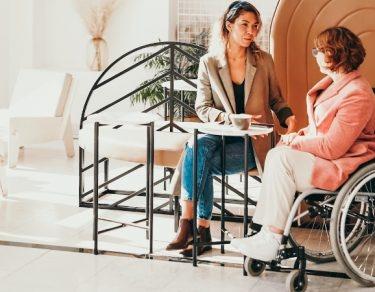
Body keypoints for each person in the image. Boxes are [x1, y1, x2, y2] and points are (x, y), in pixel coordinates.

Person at [231, 26, 375, 262]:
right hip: (327, 157)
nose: (315, 54)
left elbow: (333, 147)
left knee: (281, 158)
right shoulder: (334, 85)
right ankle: (267, 233)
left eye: (318, 50)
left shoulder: (357, 93)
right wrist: (297, 135)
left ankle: (270, 236)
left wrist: (297, 142)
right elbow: (323, 128)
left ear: (335, 53)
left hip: (345, 164)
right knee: (279, 153)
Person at [166, 0, 297, 256]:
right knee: (198, 145)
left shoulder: (264, 60)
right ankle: (194, 226)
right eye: (244, 25)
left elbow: (276, 99)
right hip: (219, 134)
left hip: (254, 141)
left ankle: (193, 227)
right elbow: (202, 107)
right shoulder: (209, 62)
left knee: (197, 160)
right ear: (228, 25)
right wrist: (229, 118)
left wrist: (288, 117)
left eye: (255, 26)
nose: (251, 31)